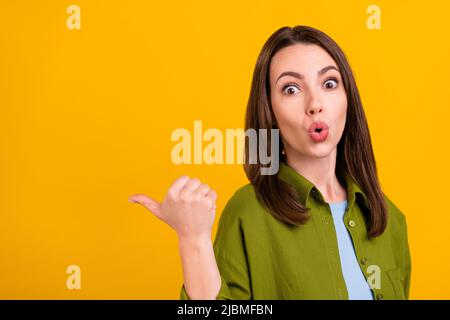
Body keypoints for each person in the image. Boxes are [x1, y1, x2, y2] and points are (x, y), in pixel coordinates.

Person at [129, 25, 411, 300]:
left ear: (347, 98)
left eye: (329, 83)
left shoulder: (387, 217)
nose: (315, 103)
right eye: (291, 89)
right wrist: (193, 240)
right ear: (270, 111)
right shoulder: (248, 212)